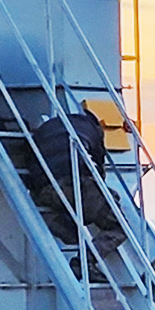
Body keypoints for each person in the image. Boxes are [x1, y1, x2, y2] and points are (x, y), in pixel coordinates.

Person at [24, 108, 126, 282]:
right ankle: (85, 263)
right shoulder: (92, 130)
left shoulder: (46, 130)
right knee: (119, 226)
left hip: (45, 191)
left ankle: (59, 223)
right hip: (73, 185)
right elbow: (98, 172)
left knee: (74, 230)